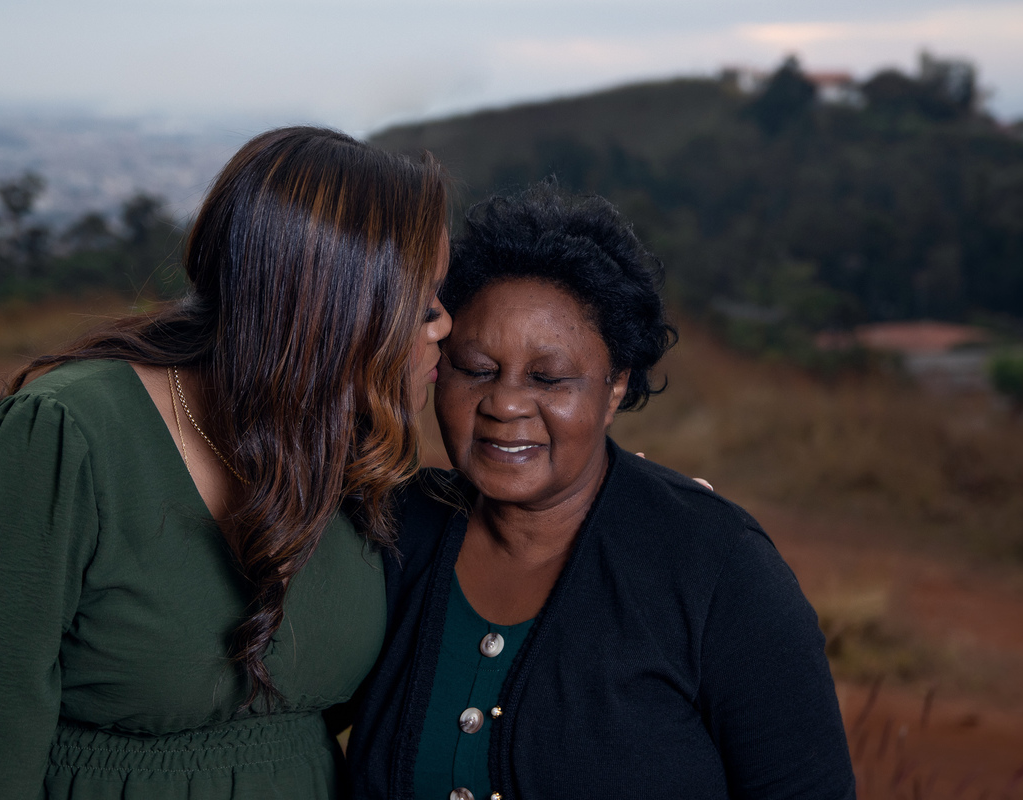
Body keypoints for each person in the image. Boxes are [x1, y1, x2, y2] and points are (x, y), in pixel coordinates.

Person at [0, 126, 453, 799]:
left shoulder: (342, 456)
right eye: (423, 304)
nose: (446, 325)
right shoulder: (63, 439)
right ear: (333, 310)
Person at [345, 182, 855, 799]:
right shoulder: (390, 531)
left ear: (615, 388)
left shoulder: (716, 565)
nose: (504, 403)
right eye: (476, 369)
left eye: (549, 378)